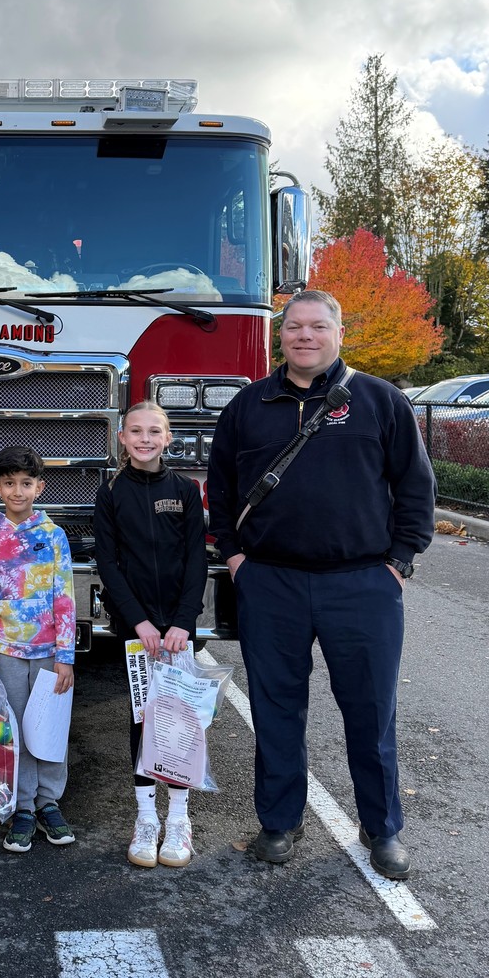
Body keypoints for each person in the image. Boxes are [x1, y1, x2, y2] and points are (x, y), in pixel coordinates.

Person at [207, 289, 435, 880]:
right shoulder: (248, 406)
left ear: (338, 333)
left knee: (371, 711)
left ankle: (381, 827)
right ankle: (279, 822)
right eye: (293, 327)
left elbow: (416, 486)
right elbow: (221, 487)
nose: (304, 336)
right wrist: (235, 557)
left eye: (317, 326)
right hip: (271, 583)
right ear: (279, 336)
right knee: (275, 708)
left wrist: (399, 561)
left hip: (362, 583)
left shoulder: (380, 400)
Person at [93, 401, 207, 869]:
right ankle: (145, 818)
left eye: (154, 431)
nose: (145, 439)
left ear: (167, 437)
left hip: (178, 629)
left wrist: (183, 620)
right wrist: (138, 621)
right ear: (122, 437)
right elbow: (108, 563)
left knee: (180, 717)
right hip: (136, 628)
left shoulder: (185, 490)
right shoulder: (110, 492)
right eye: (136, 431)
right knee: (144, 716)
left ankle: (178, 818)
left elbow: (197, 559)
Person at [0, 445, 76, 853]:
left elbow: (64, 599)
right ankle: (24, 806)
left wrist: (65, 657)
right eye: (9, 483)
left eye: (26, 483)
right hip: (7, 653)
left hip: (48, 652)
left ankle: (49, 801)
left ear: (39, 487)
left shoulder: (54, 537)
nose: (18, 491)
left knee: (49, 727)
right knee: (15, 729)